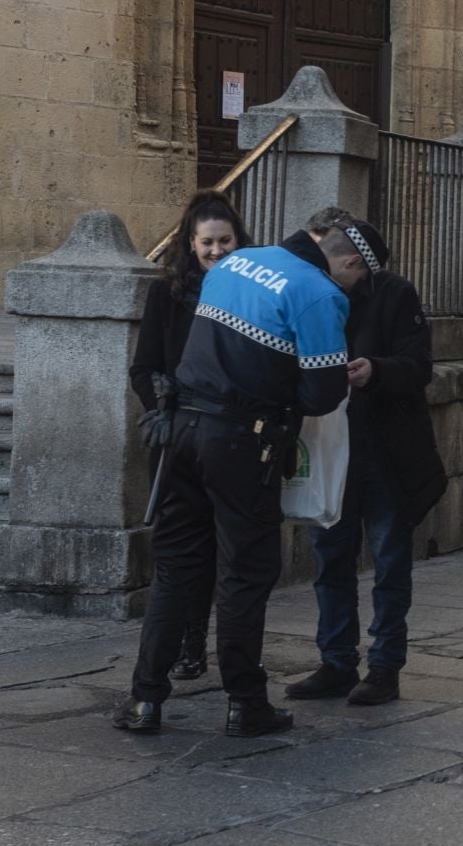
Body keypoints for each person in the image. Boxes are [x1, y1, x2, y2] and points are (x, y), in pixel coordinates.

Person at [115, 219, 365, 738]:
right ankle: (246, 702)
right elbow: (322, 394)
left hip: (182, 428)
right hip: (241, 441)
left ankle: (144, 699)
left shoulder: (237, 263)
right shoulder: (318, 293)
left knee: (176, 568)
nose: (352, 291)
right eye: (357, 280)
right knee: (245, 574)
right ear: (349, 264)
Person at [284, 210, 446, 709]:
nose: (355, 283)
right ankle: (336, 661)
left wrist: (374, 370)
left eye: (357, 275)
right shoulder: (310, 288)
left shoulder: (395, 294)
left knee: (390, 561)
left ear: (357, 262)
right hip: (331, 447)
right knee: (330, 558)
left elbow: (419, 366)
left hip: (385, 450)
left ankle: (384, 666)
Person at [129, 190, 249, 682]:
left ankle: (215, 651)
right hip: (178, 436)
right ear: (190, 243)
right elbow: (144, 367)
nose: (217, 251)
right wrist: (162, 411)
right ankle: (187, 644)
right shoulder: (168, 293)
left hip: (233, 435)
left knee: (229, 550)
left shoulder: (249, 290)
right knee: (180, 550)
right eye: (207, 243)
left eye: (225, 241)